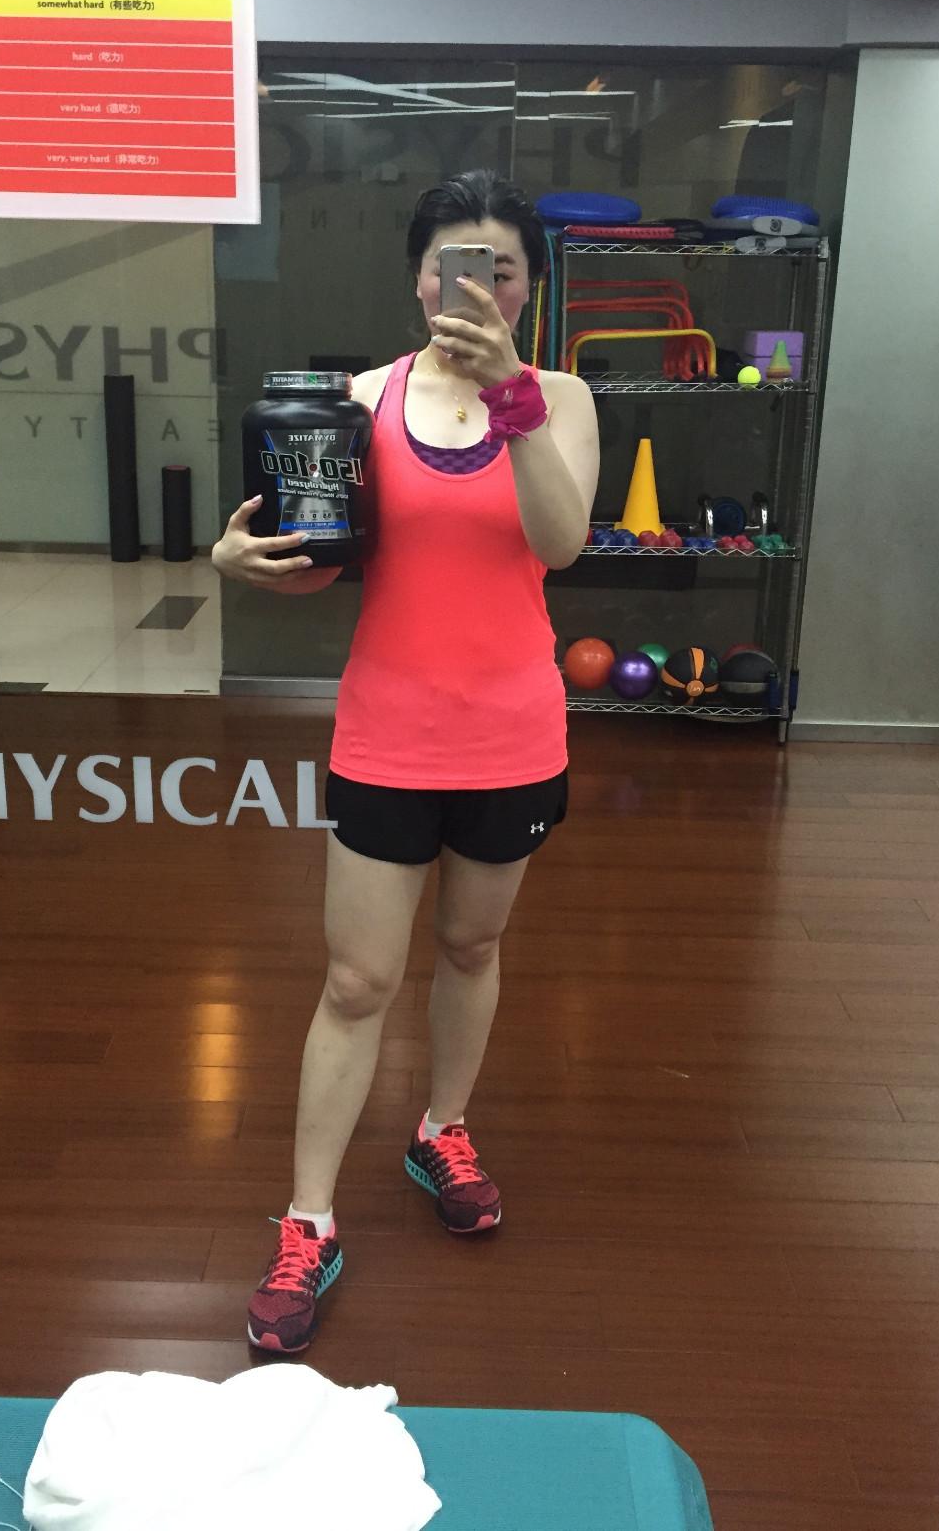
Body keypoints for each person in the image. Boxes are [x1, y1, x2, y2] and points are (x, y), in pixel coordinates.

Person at [211, 170, 599, 1353]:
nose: (471, 288)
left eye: (498, 269)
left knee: (472, 945)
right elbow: (323, 561)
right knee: (355, 980)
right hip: (387, 733)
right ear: (416, 278)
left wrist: (510, 395)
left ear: (527, 287)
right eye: (450, 266)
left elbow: (559, 542)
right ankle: (307, 1220)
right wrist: (243, 563)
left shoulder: (561, 398)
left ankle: (442, 1127)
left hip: (512, 735)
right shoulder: (356, 403)